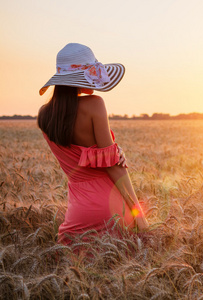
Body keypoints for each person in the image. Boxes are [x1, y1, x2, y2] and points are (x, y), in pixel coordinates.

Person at [37, 43, 149, 244]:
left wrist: (114, 151)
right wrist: (140, 218)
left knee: (77, 267)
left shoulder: (45, 116)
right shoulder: (95, 104)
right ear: (79, 78)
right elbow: (114, 168)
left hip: (78, 212)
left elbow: (81, 158)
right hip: (112, 209)